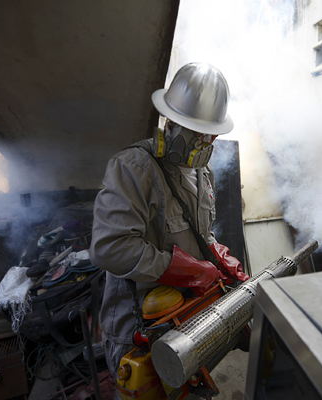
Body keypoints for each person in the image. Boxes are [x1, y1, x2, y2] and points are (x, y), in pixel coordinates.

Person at [89, 63, 249, 386]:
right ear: (170, 123)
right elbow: (109, 248)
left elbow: (200, 234)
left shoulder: (204, 174)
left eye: (209, 134)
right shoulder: (134, 169)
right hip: (141, 331)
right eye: (194, 131)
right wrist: (188, 270)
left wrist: (218, 254)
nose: (204, 142)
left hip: (187, 321)